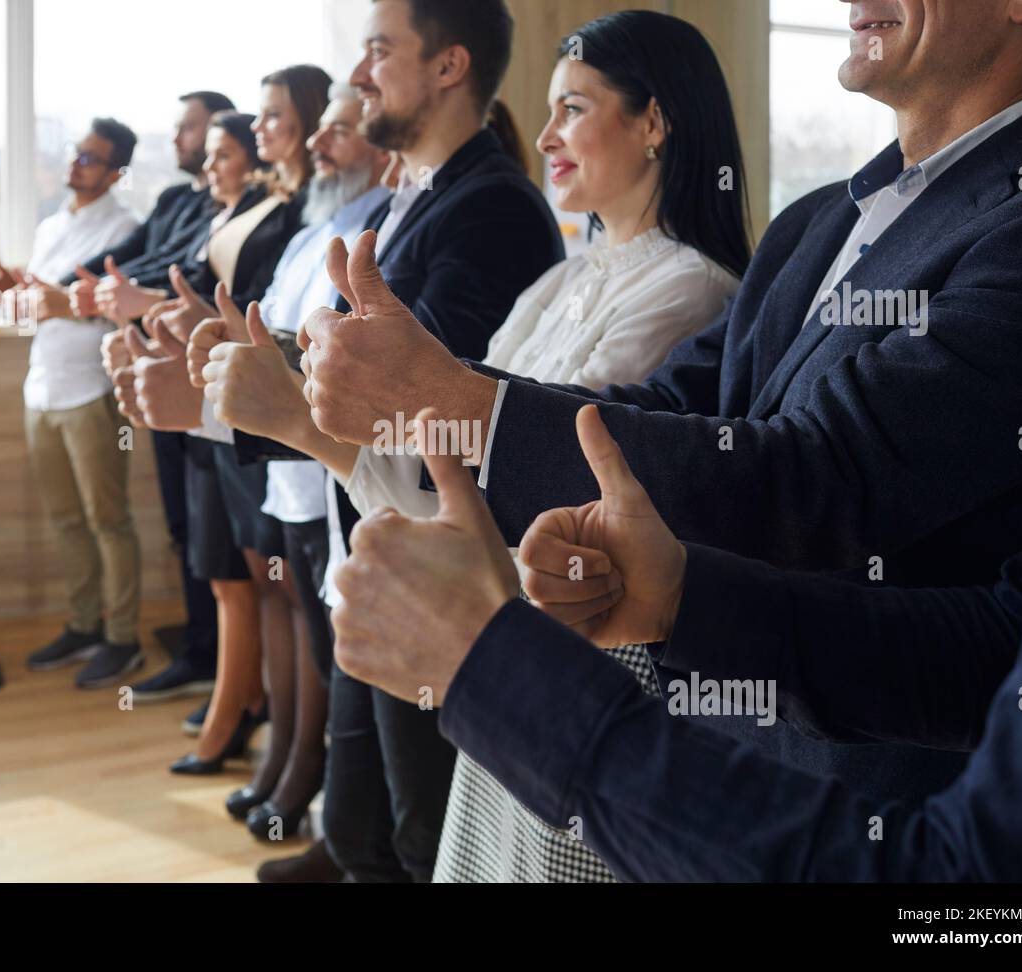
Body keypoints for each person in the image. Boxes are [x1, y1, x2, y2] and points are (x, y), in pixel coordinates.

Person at [329, 0, 1022, 883]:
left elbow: (821, 473)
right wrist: (680, 596)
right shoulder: (816, 223)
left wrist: (455, 403)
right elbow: (672, 408)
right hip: (712, 765)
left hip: (867, 809)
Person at [203, 10, 750, 882]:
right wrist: (306, 416)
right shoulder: (562, 278)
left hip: (582, 662)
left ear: (654, 122)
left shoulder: (691, 290)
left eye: (573, 108)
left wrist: (307, 422)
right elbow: (450, 480)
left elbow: (531, 493)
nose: (543, 135)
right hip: (506, 639)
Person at [230, 0, 564, 884]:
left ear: (448, 66)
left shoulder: (492, 207)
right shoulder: (424, 196)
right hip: (377, 527)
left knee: (419, 835)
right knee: (366, 815)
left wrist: (278, 384)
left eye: (380, 50)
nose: (360, 74)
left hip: (441, 558)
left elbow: (421, 412)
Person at [111, 69, 333, 792]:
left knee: (266, 579)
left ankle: (274, 738)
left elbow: (263, 312)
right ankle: (253, 719)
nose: (264, 129)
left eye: (273, 117)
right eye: (259, 117)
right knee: (240, 572)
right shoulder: (259, 204)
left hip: (259, 406)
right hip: (210, 393)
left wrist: (193, 316)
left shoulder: (299, 213)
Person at [191, 86, 392, 860]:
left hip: (329, 464)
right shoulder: (317, 224)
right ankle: (289, 770)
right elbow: (274, 325)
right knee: (290, 611)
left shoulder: (374, 224)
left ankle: (312, 789)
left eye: (338, 131)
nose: (320, 147)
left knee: (324, 632)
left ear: (379, 145)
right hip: (284, 454)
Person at [0, 118, 144, 686]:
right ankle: (84, 624)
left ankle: (123, 638)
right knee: (66, 519)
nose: (76, 165)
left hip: (90, 388)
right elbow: (37, 302)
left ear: (116, 173)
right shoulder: (50, 225)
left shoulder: (127, 228)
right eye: (75, 153)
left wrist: (48, 297)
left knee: (107, 519)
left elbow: (102, 303)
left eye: (91, 158)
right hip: (40, 386)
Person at [71, 91, 234, 703]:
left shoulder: (233, 212)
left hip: (205, 384)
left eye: (190, 129)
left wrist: (140, 300)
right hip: (164, 372)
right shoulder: (178, 199)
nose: (178, 139)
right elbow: (146, 259)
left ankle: (216, 662)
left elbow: (184, 281)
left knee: (218, 543)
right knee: (182, 526)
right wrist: (72, 288)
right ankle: (202, 650)